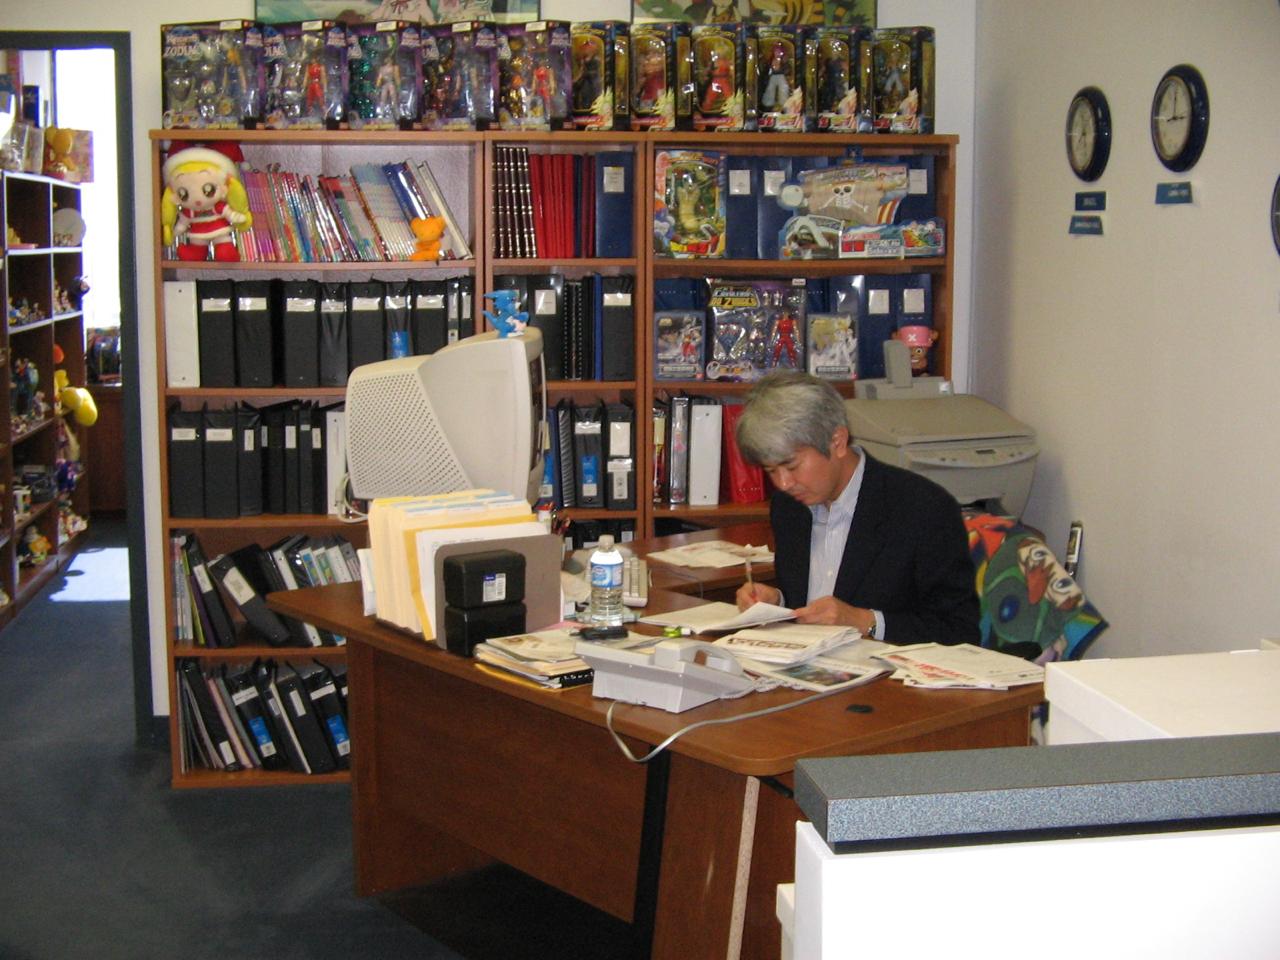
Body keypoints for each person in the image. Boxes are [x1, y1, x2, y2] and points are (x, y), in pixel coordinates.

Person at [733, 371, 978, 646]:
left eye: (791, 466)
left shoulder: (922, 508)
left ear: (837, 441)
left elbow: (959, 631)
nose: (783, 483)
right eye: (771, 470)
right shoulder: (789, 508)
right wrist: (777, 601)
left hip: (887, 677)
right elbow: (811, 600)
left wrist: (866, 622)